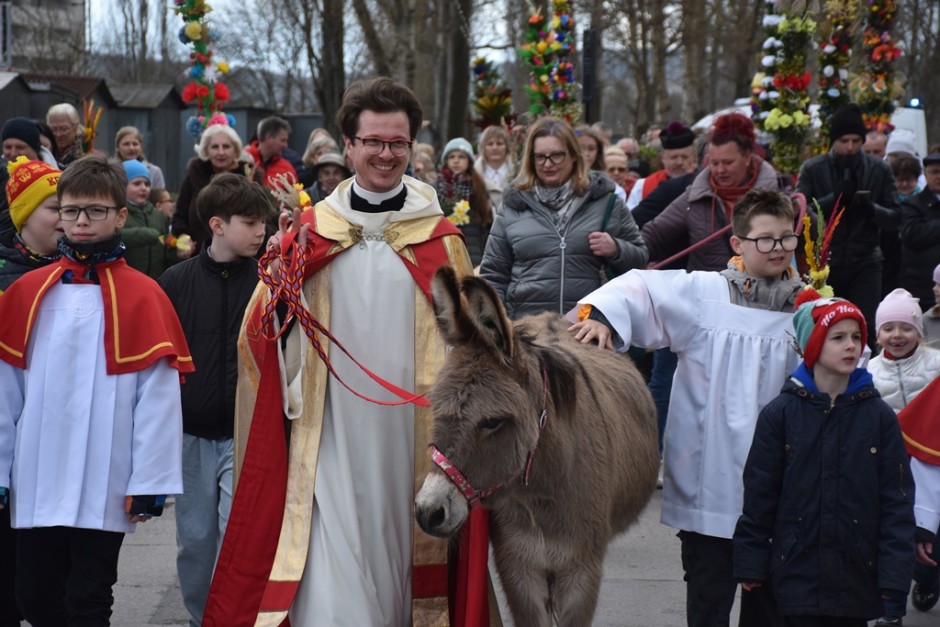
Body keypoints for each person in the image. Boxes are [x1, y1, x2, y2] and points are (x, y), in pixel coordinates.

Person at [202, 77, 494, 627]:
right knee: (331, 568)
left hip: (414, 434)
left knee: (408, 554)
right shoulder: (311, 234)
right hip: (329, 429)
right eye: (374, 142)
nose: (387, 154)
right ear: (350, 144)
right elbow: (259, 336)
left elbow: (474, 348)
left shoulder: (441, 239)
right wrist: (279, 289)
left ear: (411, 147)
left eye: (399, 143)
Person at [568, 188, 805, 627]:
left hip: (780, 490)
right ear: (737, 244)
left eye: (787, 238)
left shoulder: (806, 309)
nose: (779, 249)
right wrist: (601, 316)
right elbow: (639, 288)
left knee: (772, 608)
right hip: (711, 485)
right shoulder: (703, 294)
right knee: (708, 605)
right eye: (766, 240)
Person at [0, 155, 190, 627]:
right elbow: (6, 393)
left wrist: (150, 481)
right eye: (70, 210)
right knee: (33, 594)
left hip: (106, 476)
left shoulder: (145, 294)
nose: (81, 221)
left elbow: (159, 400)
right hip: (39, 473)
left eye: (95, 211)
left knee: (88, 597)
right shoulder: (27, 292)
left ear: (120, 216)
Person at [734, 294, 915, 627]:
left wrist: (894, 578)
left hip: (855, 578)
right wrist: (751, 561)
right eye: (838, 337)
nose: (851, 346)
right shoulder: (781, 414)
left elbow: (897, 502)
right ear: (813, 345)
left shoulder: (879, 418)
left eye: (857, 337)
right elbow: (759, 495)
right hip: (792, 575)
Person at [158, 173, 276, 627]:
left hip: (246, 432)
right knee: (196, 540)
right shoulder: (175, 282)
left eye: (263, 222)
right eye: (250, 222)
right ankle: (200, 617)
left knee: (237, 535)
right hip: (189, 434)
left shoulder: (269, 283)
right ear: (218, 225)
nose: (260, 230)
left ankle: (235, 619)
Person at [480, 117, 648, 319]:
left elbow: (640, 258)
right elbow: (493, 274)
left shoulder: (605, 202)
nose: (548, 164)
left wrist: (616, 249)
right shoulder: (513, 207)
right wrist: (499, 324)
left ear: (574, 156)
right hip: (528, 335)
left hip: (589, 330)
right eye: (540, 157)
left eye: (557, 156)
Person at [0, 156, 61, 627]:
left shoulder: (78, 272)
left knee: (48, 576)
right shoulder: (7, 276)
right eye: (55, 207)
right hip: (7, 431)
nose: (68, 218)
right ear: (24, 216)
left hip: (53, 439)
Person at [866, 288, 940, 626]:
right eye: (888, 328)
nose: (897, 335)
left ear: (919, 332)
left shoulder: (936, 364)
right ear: (878, 333)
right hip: (887, 467)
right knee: (892, 538)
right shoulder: (868, 371)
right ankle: (890, 611)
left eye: (906, 327)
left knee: (930, 536)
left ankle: (927, 578)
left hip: (931, 464)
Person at [796, 103, 900, 334]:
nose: (850, 147)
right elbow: (799, 213)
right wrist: (833, 200)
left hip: (866, 262)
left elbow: (896, 217)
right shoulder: (813, 168)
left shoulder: (879, 170)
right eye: (844, 141)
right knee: (826, 328)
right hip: (824, 263)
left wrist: (871, 210)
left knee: (866, 327)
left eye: (856, 140)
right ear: (834, 141)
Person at [641, 112, 779, 271]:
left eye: (728, 162)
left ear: (747, 157)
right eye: (714, 163)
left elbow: (811, 237)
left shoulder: (778, 193)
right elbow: (652, 236)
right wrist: (618, 250)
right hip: (709, 294)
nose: (720, 170)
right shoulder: (695, 196)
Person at [172, 124, 261, 253]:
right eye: (214, 147)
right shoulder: (194, 176)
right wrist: (183, 237)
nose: (221, 152)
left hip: (239, 256)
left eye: (226, 146)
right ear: (205, 150)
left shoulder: (249, 176)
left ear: (236, 150)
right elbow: (179, 215)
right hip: (199, 256)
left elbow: (260, 218)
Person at [435, 137, 493, 267]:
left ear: (469, 161)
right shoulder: (436, 189)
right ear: (446, 161)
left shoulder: (479, 188)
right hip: (443, 254)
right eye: (451, 157)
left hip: (473, 254)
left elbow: (486, 226)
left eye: (461, 157)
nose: (456, 161)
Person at [120, 160, 181, 279]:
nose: (143, 188)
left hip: (156, 281)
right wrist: (142, 234)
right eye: (137, 183)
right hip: (127, 281)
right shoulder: (118, 214)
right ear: (122, 186)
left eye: (147, 184)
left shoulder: (158, 216)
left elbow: (166, 246)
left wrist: (176, 250)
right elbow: (115, 238)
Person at [626, 121, 697, 210]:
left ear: (693, 158)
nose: (679, 162)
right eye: (674, 157)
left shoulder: (704, 182)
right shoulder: (643, 186)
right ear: (663, 158)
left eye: (684, 157)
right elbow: (630, 221)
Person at [900, 153, 940, 310]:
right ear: (926, 174)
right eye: (934, 172)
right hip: (923, 286)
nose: (939, 176)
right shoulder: (912, 205)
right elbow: (913, 235)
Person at [245, 116, 298, 189]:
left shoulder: (287, 168)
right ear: (269, 137)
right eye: (283, 140)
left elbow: (297, 196)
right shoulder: (243, 160)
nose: (286, 145)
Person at [474, 124, 514, 212]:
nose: (495, 148)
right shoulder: (474, 175)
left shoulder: (518, 173)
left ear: (507, 147)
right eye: (490, 144)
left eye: (499, 143)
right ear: (483, 147)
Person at [46, 103, 85, 167]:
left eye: (64, 129)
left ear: (75, 127)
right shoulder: (45, 151)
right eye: (54, 129)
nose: (58, 134)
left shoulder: (86, 154)